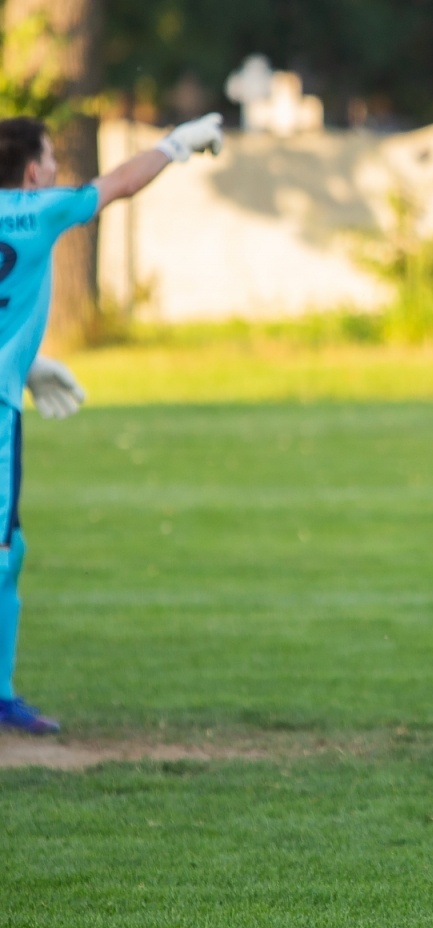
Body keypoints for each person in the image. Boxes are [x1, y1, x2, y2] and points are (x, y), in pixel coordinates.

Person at [0, 113, 223, 735]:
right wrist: (175, 144)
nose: (54, 168)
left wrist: (26, 362)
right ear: (30, 170)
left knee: (10, 551)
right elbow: (120, 182)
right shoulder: (39, 209)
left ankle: (1, 693)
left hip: (6, 393)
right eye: (48, 158)